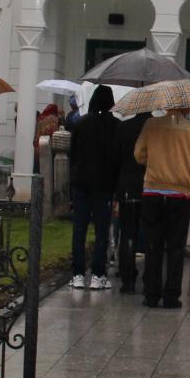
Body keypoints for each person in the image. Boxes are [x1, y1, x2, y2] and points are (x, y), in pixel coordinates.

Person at [134, 105, 190, 308]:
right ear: (185, 107)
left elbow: (138, 155)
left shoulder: (151, 124)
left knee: (153, 244)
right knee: (176, 246)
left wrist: (157, 157)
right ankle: (171, 295)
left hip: (153, 191)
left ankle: (151, 293)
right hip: (180, 194)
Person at [68, 86, 119, 289]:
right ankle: (98, 274)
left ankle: (78, 273)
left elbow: (73, 153)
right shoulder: (115, 126)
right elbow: (116, 157)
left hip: (81, 183)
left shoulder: (81, 123)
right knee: (101, 231)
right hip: (104, 185)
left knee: (79, 229)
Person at [113, 110, 152, 294]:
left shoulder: (124, 127)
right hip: (151, 185)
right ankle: (150, 278)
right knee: (152, 233)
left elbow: (117, 160)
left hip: (127, 186)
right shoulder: (156, 128)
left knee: (127, 234)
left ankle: (127, 277)